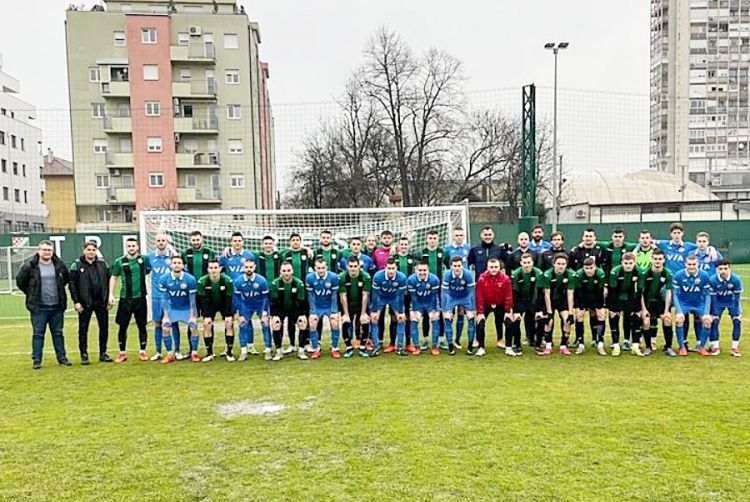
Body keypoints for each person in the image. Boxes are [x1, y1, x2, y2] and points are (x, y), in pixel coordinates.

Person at [16, 240, 72, 370]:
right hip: (39, 308)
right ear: (39, 250)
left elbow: (65, 279)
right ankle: (37, 360)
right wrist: (31, 293)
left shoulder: (59, 265)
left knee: (58, 333)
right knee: (38, 334)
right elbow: (21, 282)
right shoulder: (30, 266)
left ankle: (62, 358)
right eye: (44, 250)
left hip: (57, 307)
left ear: (52, 252)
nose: (47, 252)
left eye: (49, 250)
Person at [69, 240, 112, 365]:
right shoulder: (76, 265)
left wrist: (108, 298)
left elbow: (108, 282)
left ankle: (103, 353)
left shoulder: (102, 264)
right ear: (84, 250)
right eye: (89, 249)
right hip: (84, 303)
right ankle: (84, 354)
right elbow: (72, 285)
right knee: (83, 329)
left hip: (101, 302)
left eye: (93, 250)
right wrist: (76, 302)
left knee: (104, 328)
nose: (91, 252)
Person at [109, 237, 150, 363]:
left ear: (137, 247)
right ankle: (122, 352)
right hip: (125, 299)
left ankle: (142, 351)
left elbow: (151, 270)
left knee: (142, 326)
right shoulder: (119, 261)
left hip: (140, 298)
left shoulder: (144, 259)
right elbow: (114, 277)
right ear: (126, 247)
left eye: (133, 246)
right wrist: (111, 294)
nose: (132, 248)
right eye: (129, 246)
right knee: (122, 326)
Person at [220, 232, 258, 355]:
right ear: (231, 242)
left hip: (245, 293)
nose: (237, 243)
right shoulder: (225, 256)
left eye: (239, 240)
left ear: (243, 242)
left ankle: (250, 345)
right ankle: (228, 347)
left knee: (247, 319)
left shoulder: (249, 255)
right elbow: (217, 269)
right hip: (230, 293)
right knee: (228, 319)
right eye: (235, 240)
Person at [158, 256, 199, 364]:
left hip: (186, 308)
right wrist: (165, 316)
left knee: (193, 327)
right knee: (165, 328)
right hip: (172, 308)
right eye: (174, 262)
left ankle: (194, 353)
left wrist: (192, 316)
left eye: (179, 263)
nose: (176, 264)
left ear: (182, 265)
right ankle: (170, 354)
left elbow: (192, 300)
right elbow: (164, 299)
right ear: (171, 265)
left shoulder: (190, 279)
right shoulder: (164, 279)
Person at [147, 234, 180, 360]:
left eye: (163, 240)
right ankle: (158, 351)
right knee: (158, 323)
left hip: (171, 296)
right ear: (155, 242)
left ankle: (176, 351)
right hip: (156, 296)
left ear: (167, 242)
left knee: (174, 322)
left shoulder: (173, 256)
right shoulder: (150, 257)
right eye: (158, 240)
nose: (161, 242)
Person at [672, 254, 712, 356]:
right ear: (685, 264)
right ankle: (682, 347)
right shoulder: (678, 275)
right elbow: (675, 295)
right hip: (683, 303)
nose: (691, 266)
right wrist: (679, 311)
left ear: (697, 264)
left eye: (694, 264)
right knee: (679, 320)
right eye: (689, 264)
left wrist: (707, 313)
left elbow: (707, 295)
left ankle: (701, 347)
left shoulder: (704, 275)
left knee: (707, 321)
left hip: (698, 303)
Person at [232, 259, 271, 361]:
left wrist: (264, 313)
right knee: (243, 324)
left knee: (265, 324)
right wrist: (240, 314)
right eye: (246, 267)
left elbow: (265, 298)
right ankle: (244, 351)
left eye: (250, 267)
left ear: (254, 267)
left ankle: (268, 350)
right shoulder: (238, 281)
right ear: (243, 268)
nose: (248, 269)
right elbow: (237, 299)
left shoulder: (261, 281)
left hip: (259, 305)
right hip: (246, 306)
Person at [197, 258, 234, 362]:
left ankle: (229, 352)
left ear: (220, 269)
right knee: (207, 323)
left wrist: (227, 314)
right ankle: (209, 353)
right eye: (211, 268)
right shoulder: (202, 281)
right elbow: (203, 300)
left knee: (229, 322)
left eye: (216, 268)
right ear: (208, 269)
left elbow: (229, 298)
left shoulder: (227, 280)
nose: (214, 270)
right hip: (210, 305)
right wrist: (206, 314)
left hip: (223, 304)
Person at [475, 258, 514, 356]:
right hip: (486, 305)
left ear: (500, 267)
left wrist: (508, 310)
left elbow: (508, 296)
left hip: (500, 305)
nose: (494, 269)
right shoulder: (481, 279)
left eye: (496, 267)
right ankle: (481, 347)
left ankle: (508, 348)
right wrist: (480, 312)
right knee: (480, 323)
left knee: (509, 322)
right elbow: (479, 296)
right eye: (491, 267)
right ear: (487, 268)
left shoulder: (505, 279)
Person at [270, 261, 308, 360]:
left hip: (294, 309)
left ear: (292, 271)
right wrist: (275, 315)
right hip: (281, 309)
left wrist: (302, 315)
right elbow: (274, 302)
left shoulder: (299, 283)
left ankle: (301, 350)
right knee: (275, 323)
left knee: (303, 322)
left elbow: (302, 301)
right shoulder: (275, 283)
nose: (286, 273)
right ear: (280, 272)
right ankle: (278, 352)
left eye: (288, 270)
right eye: (284, 271)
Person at [608, 252, 644, 356]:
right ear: (622, 262)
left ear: (634, 263)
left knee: (636, 319)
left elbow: (640, 290)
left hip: (631, 296)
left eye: (630, 263)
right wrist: (613, 308)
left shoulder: (639, 272)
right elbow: (613, 290)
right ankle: (616, 346)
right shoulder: (615, 272)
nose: (628, 265)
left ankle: (635, 346)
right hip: (617, 295)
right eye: (626, 263)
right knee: (614, 318)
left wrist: (638, 308)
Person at [539, 254, 576, 356]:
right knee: (549, 322)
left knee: (566, 320)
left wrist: (571, 312)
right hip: (550, 300)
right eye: (558, 264)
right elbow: (546, 294)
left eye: (563, 264)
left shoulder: (570, 275)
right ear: (554, 264)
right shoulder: (547, 274)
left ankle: (563, 346)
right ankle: (548, 345)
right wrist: (550, 313)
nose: (561, 266)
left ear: (566, 264)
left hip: (562, 300)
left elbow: (570, 294)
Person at [387, 237, 420, 352]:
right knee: (394, 318)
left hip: (409, 294)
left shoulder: (413, 259)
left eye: (406, 244)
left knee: (408, 317)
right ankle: (392, 343)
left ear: (409, 246)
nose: (404, 246)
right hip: (395, 294)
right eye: (402, 244)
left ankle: (408, 343)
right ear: (398, 246)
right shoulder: (393, 259)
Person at [370, 258, 408, 356]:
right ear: (385, 268)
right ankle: (375, 347)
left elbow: (400, 296)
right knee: (374, 319)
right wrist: (374, 310)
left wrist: (400, 311)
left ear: (396, 268)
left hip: (394, 298)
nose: (391, 271)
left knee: (401, 319)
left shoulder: (402, 277)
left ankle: (399, 347)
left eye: (393, 268)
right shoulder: (378, 277)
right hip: (381, 297)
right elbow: (375, 295)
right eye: (389, 268)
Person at [641, 249, 674, 356]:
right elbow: (641, 293)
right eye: (655, 259)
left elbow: (669, 292)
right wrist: (644, 309)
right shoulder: (645, 273)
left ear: (664, 260)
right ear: (651, 259)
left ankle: (668, 347)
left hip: (660, 302)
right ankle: (648, 347)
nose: (657, 261)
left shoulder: (667, 273)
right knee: (646, 321)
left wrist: (666, 310)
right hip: (648, 302)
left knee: (667, 319)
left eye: (660, 259)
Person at [305, 258, 340, 359]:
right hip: (317, 306)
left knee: (334, 321)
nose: (321, 270)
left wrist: (334, 311)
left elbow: (334, 295)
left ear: (326, 267)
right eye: (318, 268)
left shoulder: (333, 277)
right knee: (312, 322)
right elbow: (310, 296)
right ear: (315, 268)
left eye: (323, 268)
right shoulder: (310, 278)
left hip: (329, 305)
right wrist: (312, 312)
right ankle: (316, 348)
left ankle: (334, 348)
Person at [510, 253, 545, 352]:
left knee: (540, 318)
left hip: (533, 300)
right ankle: (517, 344)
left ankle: (538, 344)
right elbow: (515, 294)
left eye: (528, 262)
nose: (526, 265)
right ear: (521, 263)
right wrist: (516, 311)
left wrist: (539, 310)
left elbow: (539, 292)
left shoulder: (538, 273)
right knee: (515, 320)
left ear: (532, 263)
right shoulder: (515, 274)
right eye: (524, 263)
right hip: (520, 300)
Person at [442, 256, 477, 356]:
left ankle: (470, 346)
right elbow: (444, 293)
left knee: (470, 318)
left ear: (462, 266)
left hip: (465, 297)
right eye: (455, 266)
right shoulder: (447, 275)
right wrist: (445, 310)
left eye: (459, 266)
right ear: (451, 266)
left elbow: (471, 292)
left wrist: (472, 309)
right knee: (448, 319)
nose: (457, 268)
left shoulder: (468, 275)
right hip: (451, 297)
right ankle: (450, 346)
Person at [339, 256, 372, 358]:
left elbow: (365, 295)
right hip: (348, 304)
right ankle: (349, 348)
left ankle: (362, 347)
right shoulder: (342, 277)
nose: (353, 268)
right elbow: (343, 296)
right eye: (351, 266)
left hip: (361, 304)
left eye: (355, 266)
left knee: (365, 320)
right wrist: (346, 314)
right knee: (346, 322)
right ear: (347, 267)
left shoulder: (365, 276)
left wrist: (363, 314)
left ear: (359, 266)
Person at [708, 259, 742, 357]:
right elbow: (713, 298)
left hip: (731, 301)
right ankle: (715, 347)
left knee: (737, 321)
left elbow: (737, 298)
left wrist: (736, 313)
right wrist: (714, 313)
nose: (723, 271)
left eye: (725, 268)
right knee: (714, 321)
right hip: (718, 301)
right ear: (717, 269)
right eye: (721, 269)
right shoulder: (713, 280)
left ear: (729, 269)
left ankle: (734, 348)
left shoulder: (735, 279)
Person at [573, 257, 607, 355]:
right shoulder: (579, 274)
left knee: (600, 315)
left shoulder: (600, 274)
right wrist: (581, 307)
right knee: (579, 315)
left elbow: (600, 291)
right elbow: (578, 292)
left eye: (591, 268)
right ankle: (580, 344)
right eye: (586, 268)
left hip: (596, 296)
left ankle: (600, 343)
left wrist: (599, 307)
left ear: (595, 267)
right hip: (582, 296)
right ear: (583, 268)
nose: (589, 270)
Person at [407, 261, 440, 356]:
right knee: (413, 320)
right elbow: (413, 297)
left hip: (430, 302)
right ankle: (417, 347)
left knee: (435, 319)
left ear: (428, 270)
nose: (422, 272)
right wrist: (414, 311)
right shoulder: (411, 280)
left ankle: (434, 347)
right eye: (420, 270)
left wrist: (435, 310)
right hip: (417, 303)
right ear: (416, 270)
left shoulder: (434, 280)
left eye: (424, 270)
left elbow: (434, 296)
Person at [420, 230, 447, 349]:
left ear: (438, 239)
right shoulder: (422, 253)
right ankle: (425, 340)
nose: (432, 240)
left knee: (439, 312)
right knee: (426, 313)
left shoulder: (443, 252)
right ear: (426, 239)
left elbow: (450, 266)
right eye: (430, 238)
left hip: (439, 287)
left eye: (434, 238)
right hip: (425, 287)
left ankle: (441, 339)